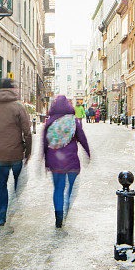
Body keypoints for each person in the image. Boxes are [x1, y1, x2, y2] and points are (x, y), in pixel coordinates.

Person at [0, 78, 32, 226]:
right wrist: (28, 152)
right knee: (20, 180)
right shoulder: (18, 106)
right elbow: (27, 132)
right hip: (16, 153)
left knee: (0, 184)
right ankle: (14, 203)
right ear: (11, 89)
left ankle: (0, 217)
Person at [43, 95, 90, 228]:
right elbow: (83, 139)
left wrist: (45, 161)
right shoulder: (73, 122)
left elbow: (44, 143)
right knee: (71, 187)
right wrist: (88, 153)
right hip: (71, 162)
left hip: (55, 162)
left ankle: (59, 216)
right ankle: (66, 207)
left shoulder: (49, 122)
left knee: (58, 189)